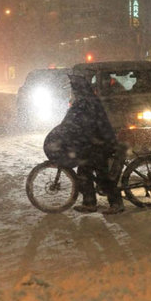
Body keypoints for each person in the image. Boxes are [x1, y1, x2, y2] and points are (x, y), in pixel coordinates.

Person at [43, 73, 124, 214]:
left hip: (101, 142)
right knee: (83, 171)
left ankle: (116, 203)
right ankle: (89, 203)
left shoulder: (87, 102)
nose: (73, 91)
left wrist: (71, 133)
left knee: (101, 173)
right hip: (92, 142)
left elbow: (84, 124)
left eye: (74, 89)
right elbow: (71, 121)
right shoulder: (83, 101)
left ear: (79, 89)